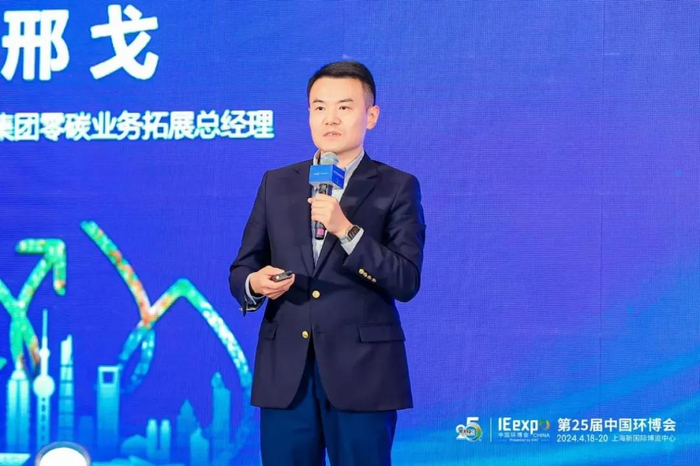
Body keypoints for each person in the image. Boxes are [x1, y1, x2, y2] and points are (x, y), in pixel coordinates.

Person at [228, 61, 426, 466]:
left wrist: (346, 231)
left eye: (344, 107)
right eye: (319, 108)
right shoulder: (277, 183)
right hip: (286, 375)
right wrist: (255, 284)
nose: (330, 119)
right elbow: (242, 269)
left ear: (371, 115)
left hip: (363, 373)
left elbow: (405, 279)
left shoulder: (397, 186)